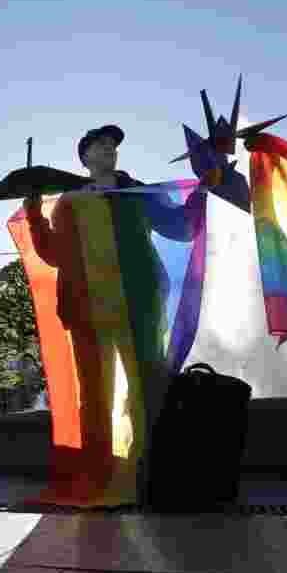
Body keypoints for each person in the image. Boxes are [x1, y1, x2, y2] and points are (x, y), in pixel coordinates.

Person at [22, 125, 199, 504]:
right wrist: (35, 216)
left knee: (147, 391)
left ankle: (147, 478)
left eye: (113, 146)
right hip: (85, 310)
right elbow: (53, 254)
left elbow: (182, 227)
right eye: (100, 145)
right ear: (84, 156)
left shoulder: (138, 192)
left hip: (139, 306)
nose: (109, 150)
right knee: (95, 399)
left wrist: (207, 186)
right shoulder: (68, 201)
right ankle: (98, 479)